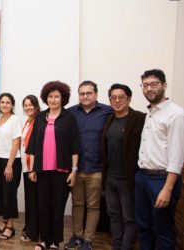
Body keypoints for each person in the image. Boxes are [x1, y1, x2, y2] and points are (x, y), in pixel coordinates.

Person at [26, 81, 80, 250]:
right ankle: (44, 240)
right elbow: (33, 146)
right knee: (43, 207)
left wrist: (74, 170)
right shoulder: (41, 117)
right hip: (42, 170)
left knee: (57, 208)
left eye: (57, 96)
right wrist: (32, 169)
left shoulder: (69, 117)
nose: (53, 99)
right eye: (50, 96)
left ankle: (55, 241)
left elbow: (74, 145)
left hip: (62, 170)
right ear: (45, 98)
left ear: (63, 98)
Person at [135, 69, 184, 250]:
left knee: (163, 230)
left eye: (153, 84)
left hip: (161, 179)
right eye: (145, 85)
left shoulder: (176, 114)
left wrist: (167, 189)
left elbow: (177, 157)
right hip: (142, 177)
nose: (149, 89)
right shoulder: (151, 112)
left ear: (164, 86)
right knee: (143, 226)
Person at [66, 81, 112, 250]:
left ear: (96, 94)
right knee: (77, 203)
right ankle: (76, 236)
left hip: (97, 169)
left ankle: (88, 239)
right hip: (76, 169)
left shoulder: (107, 111)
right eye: (82, 93)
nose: (85, 96)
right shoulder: (71, 113)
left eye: (88, 93)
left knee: (94, 205)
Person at [101, 84, 145, 250]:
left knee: (129, 218)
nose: (117, 100)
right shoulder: (109, 119)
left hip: (128, 178)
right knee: (114, 215)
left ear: (129, 99)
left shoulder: (140, 119)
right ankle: (116, 245)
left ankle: (126, 247)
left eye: (121, 97)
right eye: (113, 97)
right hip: (110, 177)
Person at [0, 93, 22, 240]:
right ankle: (4, 221)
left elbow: (16, 143)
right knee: (0, 193)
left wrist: (9, 165)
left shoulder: (15, 120)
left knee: (9, 194)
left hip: (10, 161)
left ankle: (10, 226)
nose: (5, 105)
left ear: (12, 105)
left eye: (8, 102)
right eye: (2, 102)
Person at [19, 95, 41, 242]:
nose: (28, 107)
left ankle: (33, 232)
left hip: (34, 168)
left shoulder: (40, 122)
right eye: (25, 105)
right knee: (29, 200)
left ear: (36, 106)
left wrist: (33, 168)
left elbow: (38, 147)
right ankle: (29, 227)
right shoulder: (27, 122)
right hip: (26, 167)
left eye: (30, 105)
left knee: (35, 201)